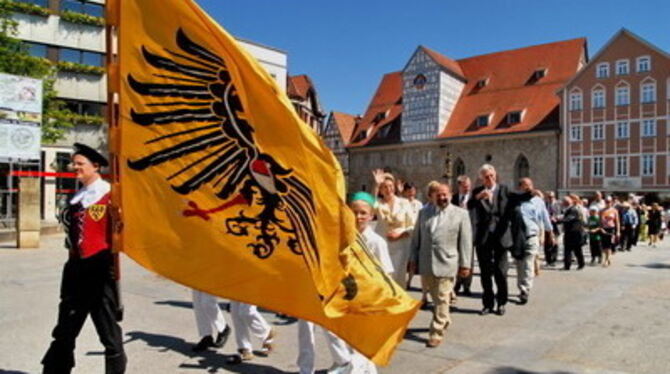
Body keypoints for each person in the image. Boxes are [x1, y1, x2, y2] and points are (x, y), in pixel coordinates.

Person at [42, 143, 126, 374]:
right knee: (64, 331)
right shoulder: (76, 197)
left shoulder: (111, 194)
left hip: (100, 271)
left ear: (95, 166)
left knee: (109, 335)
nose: (74, 167)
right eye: (73, 163)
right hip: (75, 271)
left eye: (79, 163)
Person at [409, 183, 472, 347]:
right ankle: (445, 318)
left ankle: (436, 332)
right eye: (439, 195)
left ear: (451, 195)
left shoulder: (461, 214)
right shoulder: (424, 213)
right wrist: (413, 260)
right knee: (437, 297)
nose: (442, 198)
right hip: (427, 262)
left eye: (445, 194)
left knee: (443, 297)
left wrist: (465, 264)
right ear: (433, 196)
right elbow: (416, 238)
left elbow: (466, 242)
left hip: (448, 262)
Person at [471, 164, 512, 316]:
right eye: (486, 177)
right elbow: (468, 207)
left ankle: (501, 302)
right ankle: (487, 303)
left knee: (501, 272)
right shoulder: (477, 192)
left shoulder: (504, 190)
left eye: (491, 176)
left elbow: (508, 211)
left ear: (495, 175)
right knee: (485, 272)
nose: (489, 179)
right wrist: (478, 198)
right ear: (481, 178)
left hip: (501, 236)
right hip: (484, 238)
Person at [511, 178, 553, 304]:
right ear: (520, 187)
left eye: (530, 184)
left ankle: (525, 290)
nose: (529, 187)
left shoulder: (538, 201)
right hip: (517, 237)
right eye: (526, 185)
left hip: (531, 236)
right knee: (519, 264)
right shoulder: (515, 201)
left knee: (528, 263)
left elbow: (545, 217)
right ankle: (521, 286)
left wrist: (549, 233)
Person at [372, 169, 414, 286]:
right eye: (384, 187)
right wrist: (375, 185)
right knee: (383, 277)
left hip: (400, 245)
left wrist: (400, 234)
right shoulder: (379, 204)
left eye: (390, 186)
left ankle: (399, 302)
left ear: (394, 187)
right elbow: (370, 207)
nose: (388, 189)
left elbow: (412, 225)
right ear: (381, 190)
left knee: (398, 277)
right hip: (383, 245)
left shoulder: (404, 203)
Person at [451, 175, 476, 297]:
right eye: (465, 186)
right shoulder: (453, 199)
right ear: (459, 186)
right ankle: (456, 284)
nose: (467, 189)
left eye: (469, 186)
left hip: (470, 233)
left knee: (468, 260)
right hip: (455, 232)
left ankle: (467, 285)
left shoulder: (474, 199)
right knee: (456, 259)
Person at [560, 196, 585, 270]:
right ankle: (567, 265)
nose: (563, 203)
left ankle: (581, 264)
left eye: (564, 201)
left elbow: (568, 219)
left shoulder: (574, 209)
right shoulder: (568, 209)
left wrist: (558, 220)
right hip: (569, 231)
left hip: (575, 232)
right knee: (567, 249)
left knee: (577, 249)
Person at [600, 197, 620, 267]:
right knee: (604, 245)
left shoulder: (614, 210)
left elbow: (617, 222)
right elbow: (599, 221)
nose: (608, 203)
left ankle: (606, 260)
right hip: (603, 229)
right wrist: (601, 228)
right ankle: (608, 258)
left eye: (609, 201)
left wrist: (618, 231)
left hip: (611, 229)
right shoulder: (601, 210)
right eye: (606, 201)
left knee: (609, 245)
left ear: (611, 202)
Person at [544, 191, 562, 266]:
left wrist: (557, 217)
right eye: (549, 197)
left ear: (554, 197)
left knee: (555, 243)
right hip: (547, 226)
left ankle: (554, 259)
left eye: (551, 197)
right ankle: (548, 260)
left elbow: (563, 214)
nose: (550, 198)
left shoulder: (559, 204)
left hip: (556, 226)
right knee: (547, 244)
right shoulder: (544, 204)